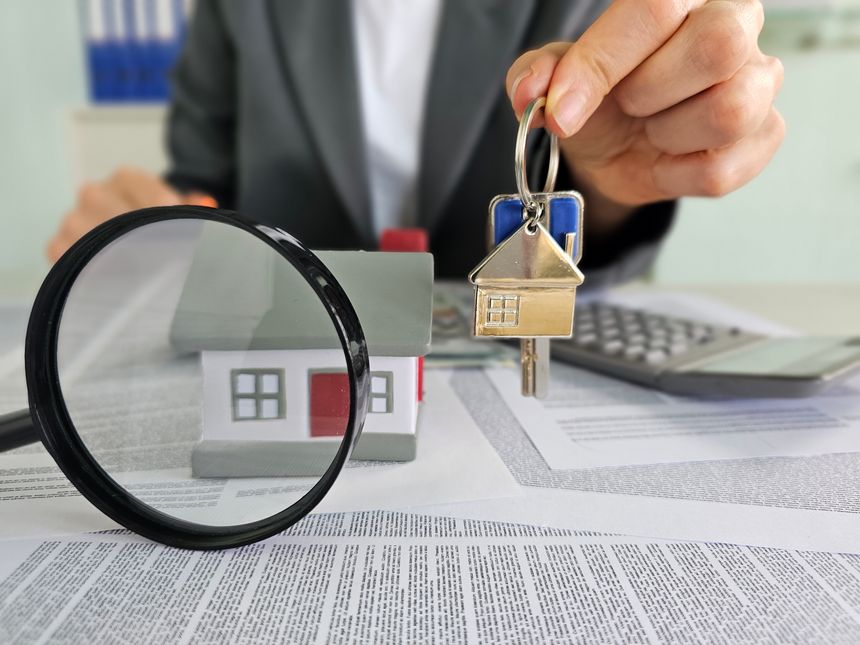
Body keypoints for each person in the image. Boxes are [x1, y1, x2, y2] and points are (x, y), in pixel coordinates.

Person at [48, 0, 784, 285]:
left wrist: (611, 190)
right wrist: (156, 224)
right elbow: (201, 186)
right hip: (298, 349)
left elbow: (600, 170)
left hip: (511, 378)